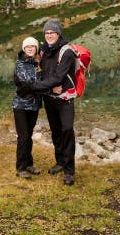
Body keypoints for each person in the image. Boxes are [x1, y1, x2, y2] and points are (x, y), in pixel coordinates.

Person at [19, 18, 77, 186]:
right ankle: (60, 162)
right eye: (47, 33)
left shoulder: (66, 52)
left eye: (52, 32)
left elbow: (58, 77)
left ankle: (69, 171)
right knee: (56, 131)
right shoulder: (44, 50)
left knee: (67, 130)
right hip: (50, 98)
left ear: (59, 34)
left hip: (64, 99)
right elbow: (33, 63)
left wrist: (33, 86)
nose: (50, 35)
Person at [12, 36, 42, 179]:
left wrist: (37, 87)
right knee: (23, 137)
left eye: (32, 46)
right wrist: (40, 87)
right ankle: (21, 167)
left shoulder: (39, 63)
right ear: (24, 49)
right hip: (21, 106)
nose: (30, 49)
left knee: (28, 136)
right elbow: (24, 84)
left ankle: (29, 163)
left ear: (36, 48)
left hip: (34, 105)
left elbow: (41, 81)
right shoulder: (20, 63)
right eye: (27, 47)